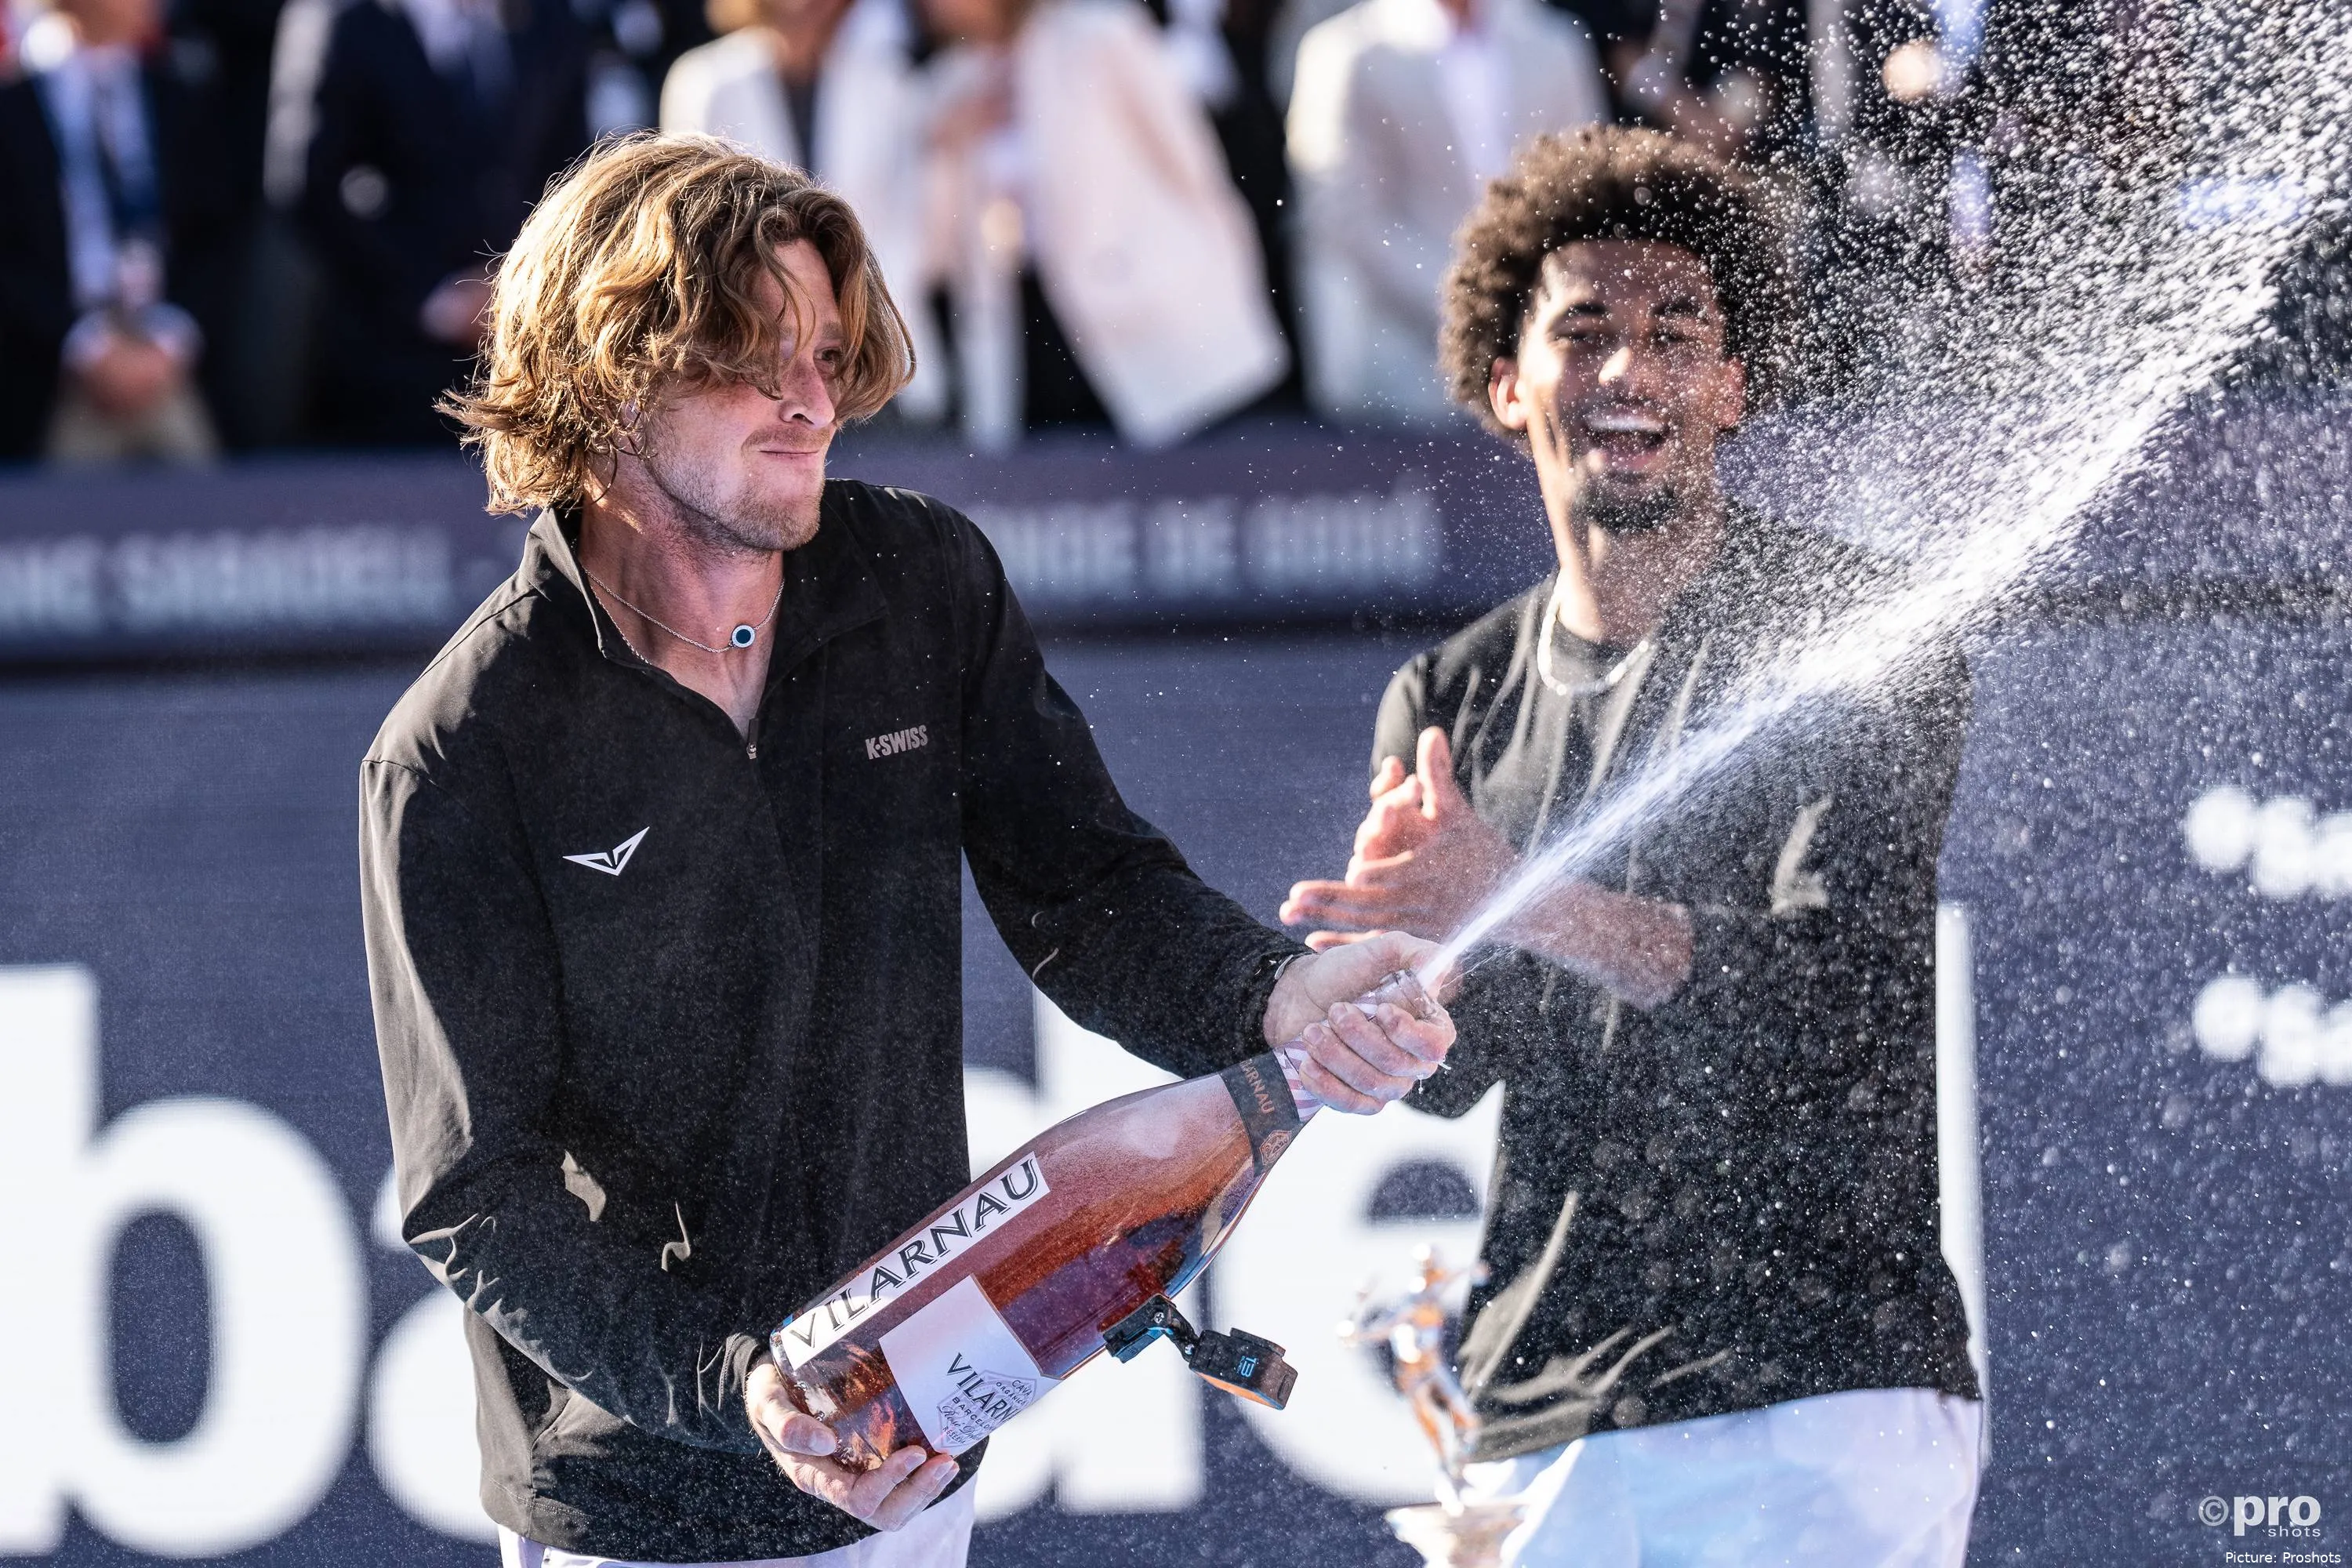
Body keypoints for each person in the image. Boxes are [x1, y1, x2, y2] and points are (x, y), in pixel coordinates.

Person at [358, 132, 1456, 1568]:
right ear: (612, 369)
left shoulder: (919, 578)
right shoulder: (461, 746)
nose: (816, 402)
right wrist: (742, 1390)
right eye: (761, 358)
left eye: (830, 353)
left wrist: (1274, 992)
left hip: (921, 1460)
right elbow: (475, 1195)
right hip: (636, 1517)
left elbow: (1090, 894)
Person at [1281, 127, 1981, 1566]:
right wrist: (1382, 996)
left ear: (1735, 386)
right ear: (1501, 382)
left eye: (1679, 332)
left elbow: (1817, 994)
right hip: (1532, 1413)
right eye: (1584, 329)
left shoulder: (1858, 636)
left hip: (1815, 1391)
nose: (1630, 367)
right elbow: (1453, 1078)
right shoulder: (1448, 694)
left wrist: (1511, 895)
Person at [919, 0, 1290, 448]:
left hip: (1151, 319)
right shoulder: (951, 83)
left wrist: (1213, 278)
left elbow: (1192, 168)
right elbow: (935, 253)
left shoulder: (1099, 35)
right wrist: (942, 148)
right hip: (1029, 330)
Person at [1284, 0, 1607, 423]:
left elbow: (1583, 191)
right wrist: (1482, 305)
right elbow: (1344, 221)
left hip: (1539, 361)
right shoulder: (1343, 53)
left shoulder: (1554, 42)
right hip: (1399, 371)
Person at [295, 0, 592, 445]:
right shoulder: (342, 19)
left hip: (527, 354)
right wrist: (432, 297)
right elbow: (308, 188)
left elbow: (573, 175)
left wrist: (519, 290)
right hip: (384, 364)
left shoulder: (550, 20)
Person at [659, 0, 947, 422]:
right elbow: (690, 224)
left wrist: (858, 311)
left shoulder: (888, 82)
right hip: (748, 347)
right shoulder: (704, 81)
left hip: (871, 347)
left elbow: (912, 223)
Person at [0, 0, 236, 463]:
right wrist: (84, 347)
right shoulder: (12, 109)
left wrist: (170, 339)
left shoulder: (179, 95)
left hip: (169, 365)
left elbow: (216, 234)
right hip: (53, 376)